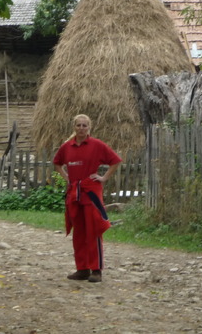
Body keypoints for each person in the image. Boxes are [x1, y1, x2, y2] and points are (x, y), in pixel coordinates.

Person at [53, 114, 122, 283]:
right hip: (75, 193)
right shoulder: (67, 147)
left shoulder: (97, 145)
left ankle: (96, 270)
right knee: (79, 231)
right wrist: (66, 177)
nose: (81, 128)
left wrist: (104, 177)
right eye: (79, 125)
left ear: (89, 127)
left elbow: (115, 160)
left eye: (84, 125)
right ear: (74, 127)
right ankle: (82, 268)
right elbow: (57, 162)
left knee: (94, 229)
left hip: (91, 192)